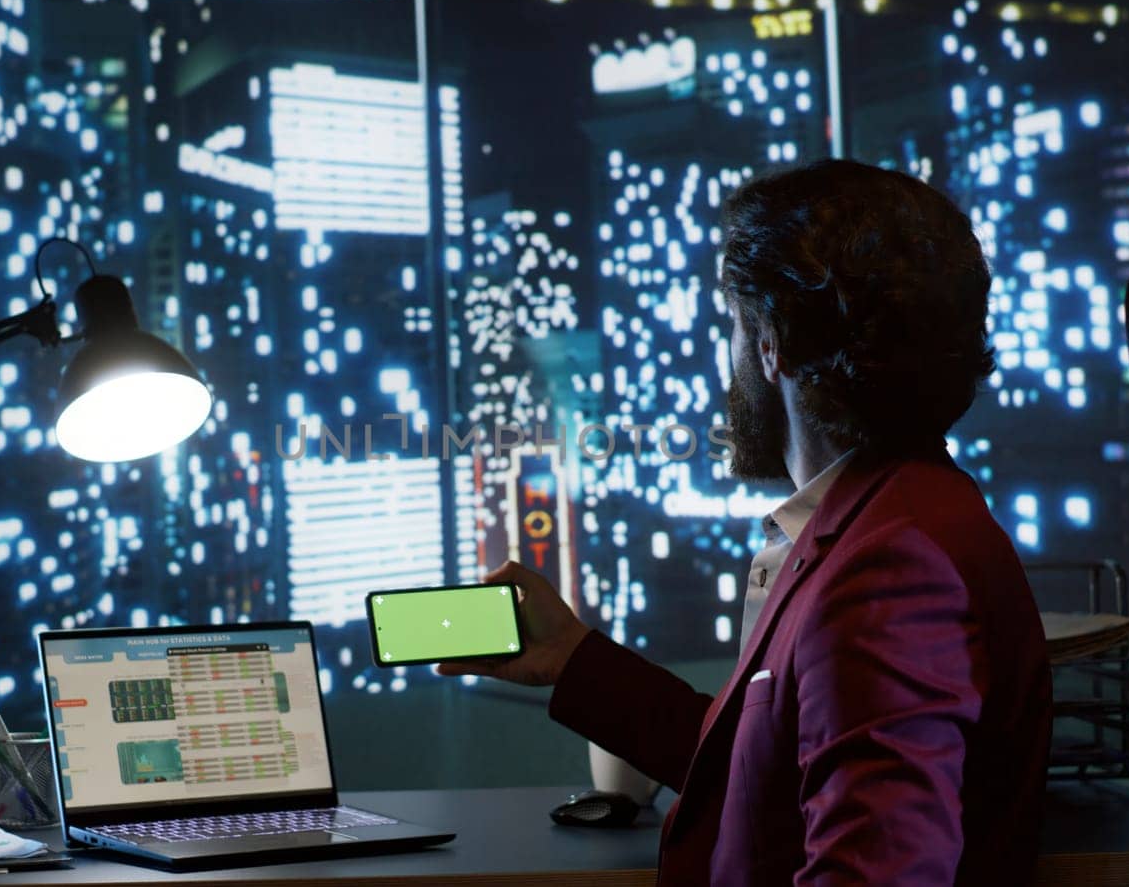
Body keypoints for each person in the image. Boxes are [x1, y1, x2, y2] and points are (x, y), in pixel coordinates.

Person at [440, 159, 1053, 886]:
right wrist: (572, 659)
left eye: (733, 325)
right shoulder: (891, 515)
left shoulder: (890, 567)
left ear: (772, 343)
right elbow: (763, 763)